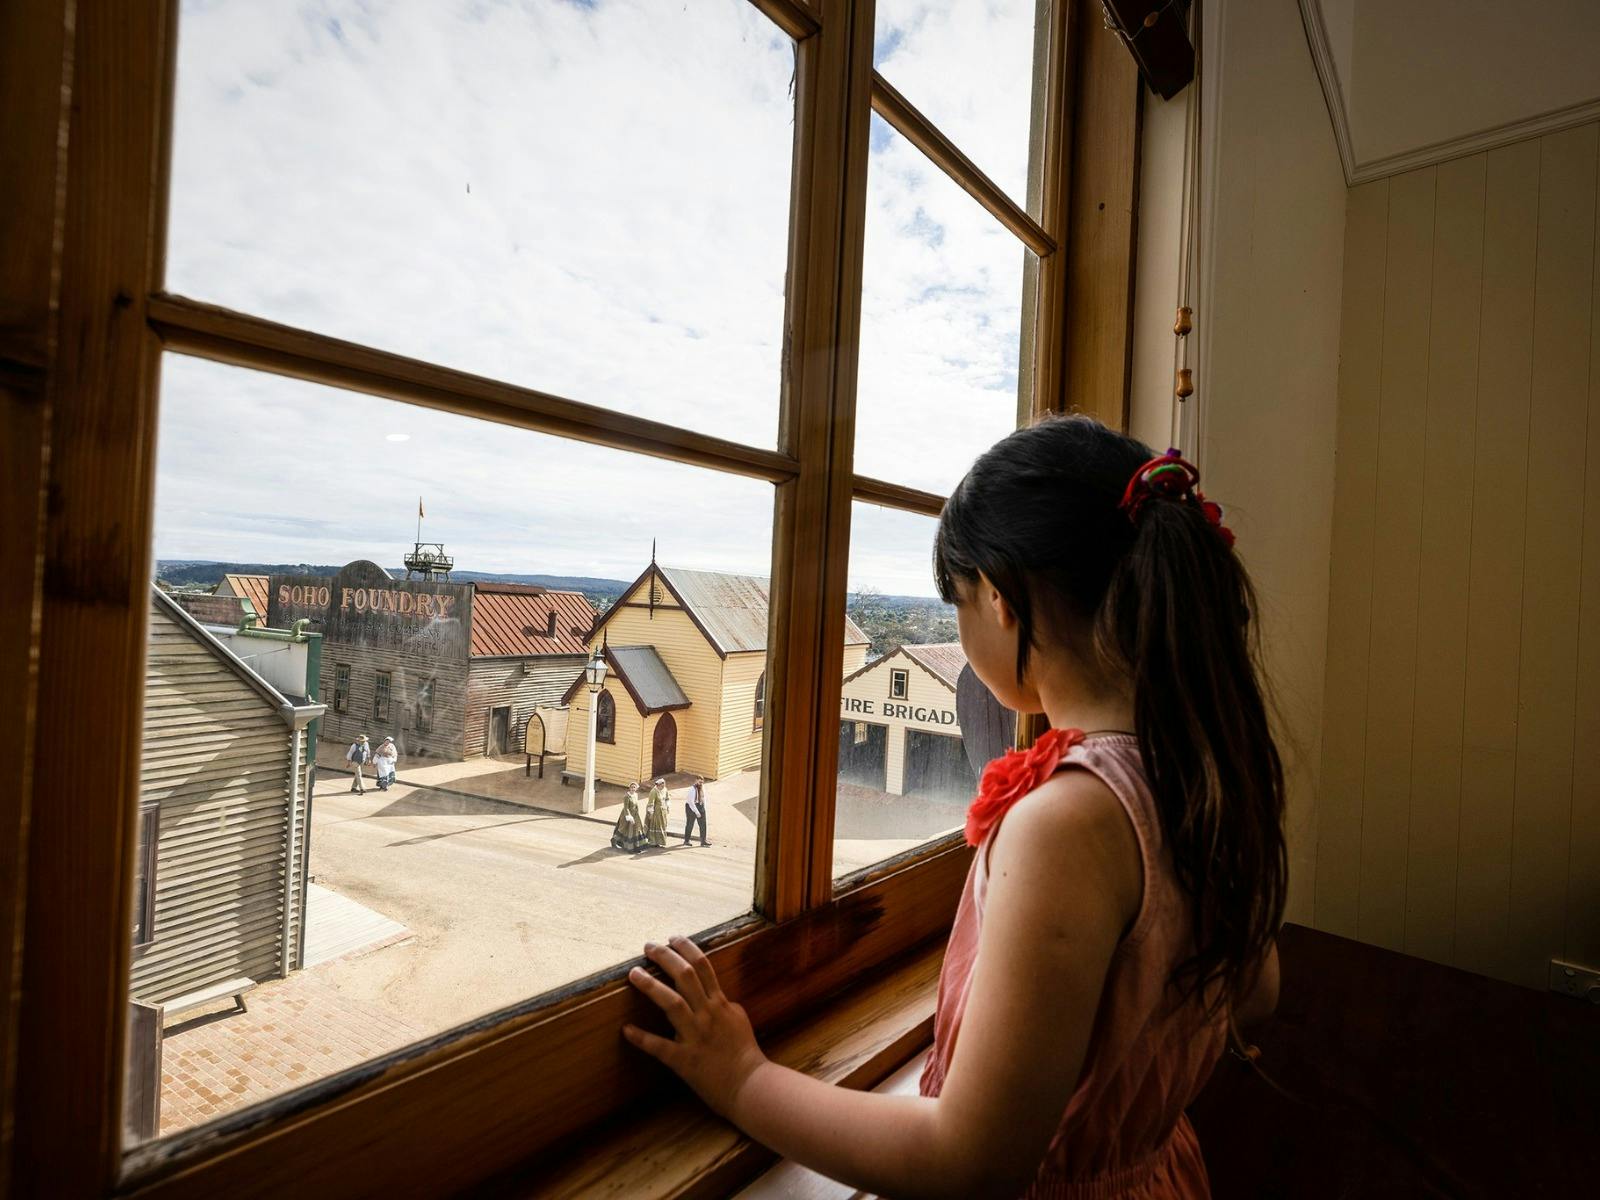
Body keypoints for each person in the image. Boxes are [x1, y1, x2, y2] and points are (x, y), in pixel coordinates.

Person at [621, 416, 1286, 1199]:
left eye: (960, 602)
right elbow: (1258, 992)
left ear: (1001, 601)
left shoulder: (1071, 823)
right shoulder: (1196, 771)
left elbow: (971, 1162)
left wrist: (740, 1079)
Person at [611, 783, 649, 854]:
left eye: (634, 787)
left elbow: (636, 805)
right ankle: (614, 840)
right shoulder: (626, 796)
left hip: (635, 814)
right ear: (629, 788)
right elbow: (626, 808)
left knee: (637, 829)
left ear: (636, 788)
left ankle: (637, 846)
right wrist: (629, 817)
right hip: (627, 815)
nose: (633, 789)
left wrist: (637, 814)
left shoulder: (636, 795)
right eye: (631, 787)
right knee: (623, 828)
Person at [681, 776, 708, 847]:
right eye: (699, 782)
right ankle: (686, 841)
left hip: (700, 805)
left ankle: (703, 841)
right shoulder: (692, 789)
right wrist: (697, 812)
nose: (701, 784)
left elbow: (703, 797)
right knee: (690, 824)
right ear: (696, 781)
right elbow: (691, 802)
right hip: (691, 807)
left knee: (703, 824)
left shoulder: (702, 787)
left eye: (702, 782)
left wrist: (703, 807)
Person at [644, 777, 670, 849]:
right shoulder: (653, 791)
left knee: (662, 826)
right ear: (658, 785)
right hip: (656, 811)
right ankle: (653, 842)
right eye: (661, 786)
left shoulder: (665, 790)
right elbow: (651, 803)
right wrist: (651, 812)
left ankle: (660, 842)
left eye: (663, 785)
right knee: (656, 826)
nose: (663, 787)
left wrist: (667, 806)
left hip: (663, 811)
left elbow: (667, 799)